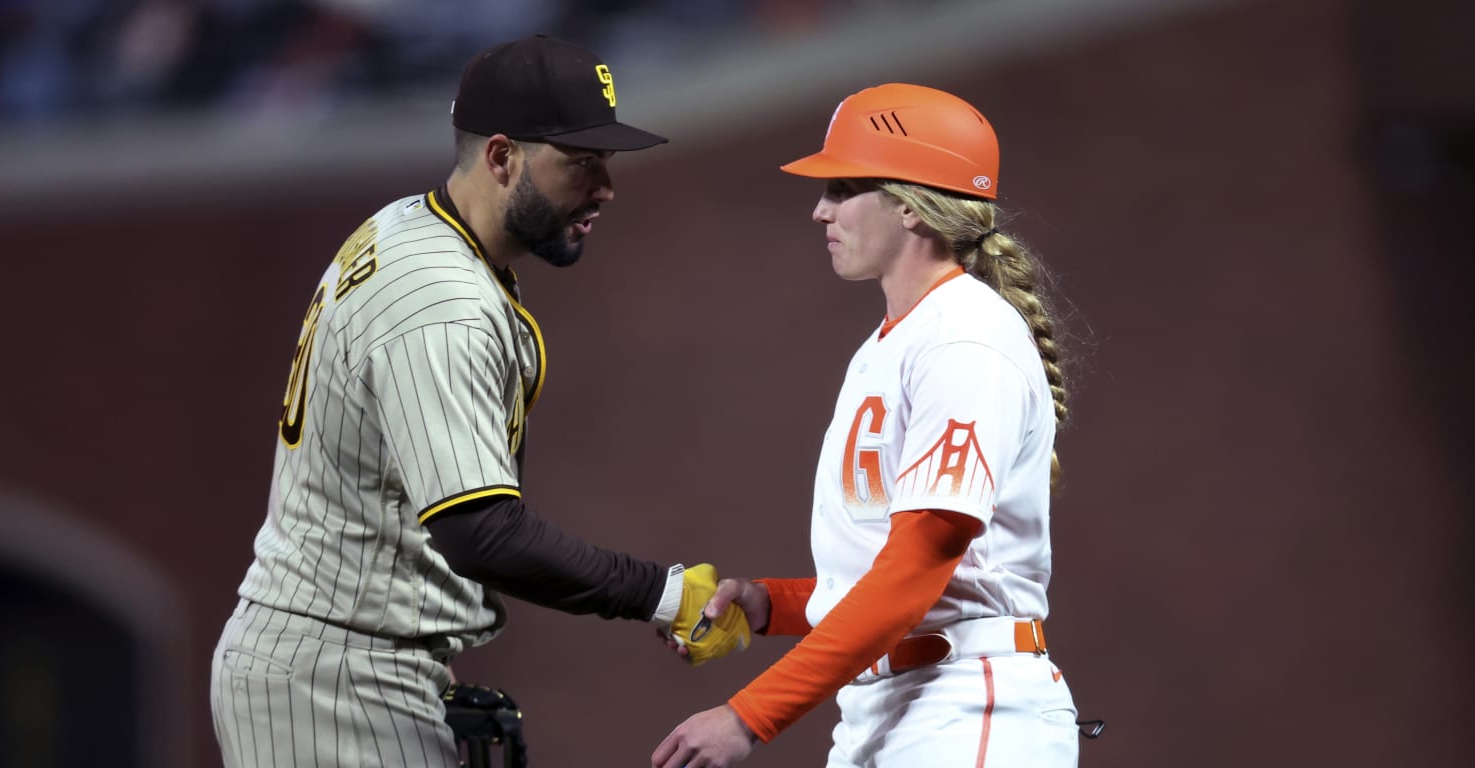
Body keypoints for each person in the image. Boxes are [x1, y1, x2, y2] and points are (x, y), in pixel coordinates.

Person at [209, 34, 747, 768]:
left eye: (607, 161)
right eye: (580, 162)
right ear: (502, 158)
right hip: (336, 673)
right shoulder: (442, 300)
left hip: (349, 656)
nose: (605, 188)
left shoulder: (410, 225)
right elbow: (481, 532)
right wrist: (660, 593)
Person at [652, 83, 1081, 768]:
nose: (821, 209)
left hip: (966, 705)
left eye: (843, 187)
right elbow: (897, 569)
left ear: (910, 205)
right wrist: (771, 605)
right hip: (894, 709)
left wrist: (748, 715)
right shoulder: (896, 340)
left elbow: (917, 572)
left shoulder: (963, 336)